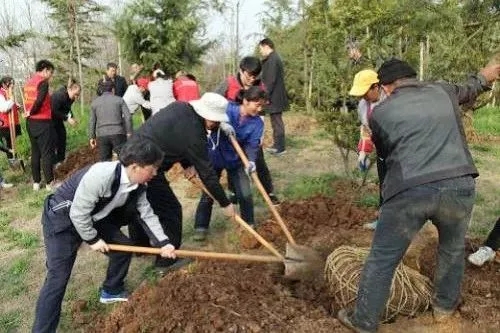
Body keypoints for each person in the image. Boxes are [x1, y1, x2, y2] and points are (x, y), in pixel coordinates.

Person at [337, 58, 500, 333]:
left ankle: (363, 321)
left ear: (386, 87)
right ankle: (444, 310)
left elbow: (387, 156)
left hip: (409, 192)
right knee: (451, 249)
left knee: (382, 258)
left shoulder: (380, 114)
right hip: (459, 186)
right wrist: (486, 76)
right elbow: (471, 88)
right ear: (414, 78)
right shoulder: (442, 90)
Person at [32, 137, 176, 333]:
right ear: (135, 167)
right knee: (58, 278)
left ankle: (111, 290)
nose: (155, 173)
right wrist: (92, 239)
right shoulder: (102, 175)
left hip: (93, 216)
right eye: (152, 169)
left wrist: (164, 243)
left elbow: (146, 213)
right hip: (63, 218)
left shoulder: (139, 185)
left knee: (124, 247)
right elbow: (77, 213)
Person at [131, 92, 235, 272]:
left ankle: (139, 246)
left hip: (131, 156)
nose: (216, 125)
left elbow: (172, 136)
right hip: (146, 167)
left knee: (138, 202)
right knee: (171, 210)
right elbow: (208, 173)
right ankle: (166, 263)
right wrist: (225, 203)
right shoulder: (196, 134)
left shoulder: (181, 107)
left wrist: (187, 164)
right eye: (216, 121)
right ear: (207, 117)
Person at [194, 87, 266, 241]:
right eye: (257, 105)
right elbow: (209, 120)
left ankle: (249, 225)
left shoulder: (257, 123)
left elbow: (253, 144)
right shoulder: (228, 109)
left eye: (262, 106)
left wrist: (251, 160)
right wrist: (222, 124)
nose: (259, 109)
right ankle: (201, 227)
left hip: (236, 160)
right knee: (208, 191)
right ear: (246, 101)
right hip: (215, 156)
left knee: (245, 194)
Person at [215, 56, 280, 205]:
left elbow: (262, 108)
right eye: (249, 75)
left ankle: (268, 192)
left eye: (255, 76)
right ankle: (234, 192)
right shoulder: (229, 83)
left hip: (251, 129)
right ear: (241, 71)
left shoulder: (260, 86)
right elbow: (214, 100)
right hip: (229, 129)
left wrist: (260, 129)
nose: (252, 79)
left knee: (258, 160)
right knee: (232, 161)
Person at [349, 69, 385, 230]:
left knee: (399, 187)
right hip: (383, 152)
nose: (362, 96)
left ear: (376, 87)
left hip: (400, 152)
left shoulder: (390, 101)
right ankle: (384, 221)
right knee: (384, 186)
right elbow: (365, 130)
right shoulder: (363, 106)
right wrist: (363, 152)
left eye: (365, 92)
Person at [23, 59, 57, 191]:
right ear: (45, 70)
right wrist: (31, 111)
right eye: (51, 72)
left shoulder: (28, 83)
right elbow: (39, 101)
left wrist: (28, 113)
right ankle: (49, 183)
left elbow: (29, 101)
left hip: (30, 122)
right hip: (42, 121)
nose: (51, 76)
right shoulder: (42, 83)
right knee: (47, 153)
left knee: (35, 152)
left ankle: (36, 183)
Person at [258, 38, 289, 156]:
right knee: (275, 121)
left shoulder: (272, 59)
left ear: (266, 46)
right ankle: (277, 145)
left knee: (277, 122)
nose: (260, 51)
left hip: (274, 96)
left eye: (260, 48)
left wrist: (265, 97)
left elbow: (270, 81)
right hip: (275, 95)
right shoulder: (273, 58)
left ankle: (280, 148)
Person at [89, 80, 132, 161]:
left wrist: (92, 137)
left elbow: (92, 121)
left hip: (102, 135)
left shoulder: (94, 103)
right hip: (118, 133)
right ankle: (120, 173)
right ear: (113, 89)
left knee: (105, 161)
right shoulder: (119, 100)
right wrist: (129, 132)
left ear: (101, 90)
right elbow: (128, 117)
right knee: (122, 159)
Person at [51, 81, 80, 166]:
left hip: (59, 119)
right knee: (54, 140)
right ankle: (54, 163)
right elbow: (54, 111)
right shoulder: (59, 96)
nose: (76, 97)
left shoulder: (71, 98)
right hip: (50, 120)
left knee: (62, 136)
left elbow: (67, 108)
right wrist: (67, 118)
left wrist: (71, 116)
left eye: (78, 95)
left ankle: (61, 160)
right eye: (75, 94)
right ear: (70, 90)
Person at [0, 76, 19, 188]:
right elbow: (4, 108)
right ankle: (12, 164)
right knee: (7, 145)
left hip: (11, 123)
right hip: (4, 125)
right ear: (4, 84)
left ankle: (14, 164)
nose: (12, 86)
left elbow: (11, 104)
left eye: (13, 83)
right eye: (10, 84)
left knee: (12, 144)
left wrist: (16, 104)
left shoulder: (7, 92)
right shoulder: (1, 94)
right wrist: (11, 100)